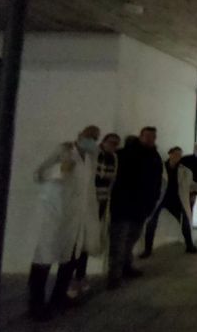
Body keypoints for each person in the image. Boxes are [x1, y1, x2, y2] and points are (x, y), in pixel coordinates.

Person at [28, 125, 100, 320]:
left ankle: (59, 298)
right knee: (44, 257)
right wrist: (60, 169)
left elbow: (88, 190)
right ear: (79, 135)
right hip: (55, 213)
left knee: (69, 259)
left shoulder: (90, 160)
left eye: (95, 137)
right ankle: (35, 306)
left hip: (76, 217)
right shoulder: (62, 151)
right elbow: (38, 174)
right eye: (89, 136)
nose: (91, 140)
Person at [108, 126, 164, 289]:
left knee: (130, 240)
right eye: (147, 136)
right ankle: (114, 275)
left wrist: (151, 202)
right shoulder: (124, 154)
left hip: (141, 207)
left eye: (152, 137)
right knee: (119, 241)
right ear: (140, 136)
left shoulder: (154, 156)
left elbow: (157, 181)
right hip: (123, 206)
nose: (150, 139)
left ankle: (126, 267)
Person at [70, 132, 120, 299]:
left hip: (101, 204)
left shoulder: (113, 158)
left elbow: (110, 180)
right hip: (87, 205)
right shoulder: (92, 156)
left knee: (86, 243)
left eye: (115, 144)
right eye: (110, 142)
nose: (112, 146)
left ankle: (80, 276)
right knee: (78, 242)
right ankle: (72, 279)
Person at [142, 147, 197, 256]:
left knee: (185, 221)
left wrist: (196, 191)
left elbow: (190, 184)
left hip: (176, 199)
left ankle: (189, 245)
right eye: (175, 154)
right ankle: (147, 250)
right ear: (170, 154)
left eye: (179, 155)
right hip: (160, 199)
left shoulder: (185, 171)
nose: (177, 157)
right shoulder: (159, 167)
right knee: (151, 223)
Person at [180, 143, 197, 224]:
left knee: (190, 206)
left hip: (195, 187)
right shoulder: (185, 159)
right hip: (184, 186)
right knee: (183, 207)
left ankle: (188, 223)